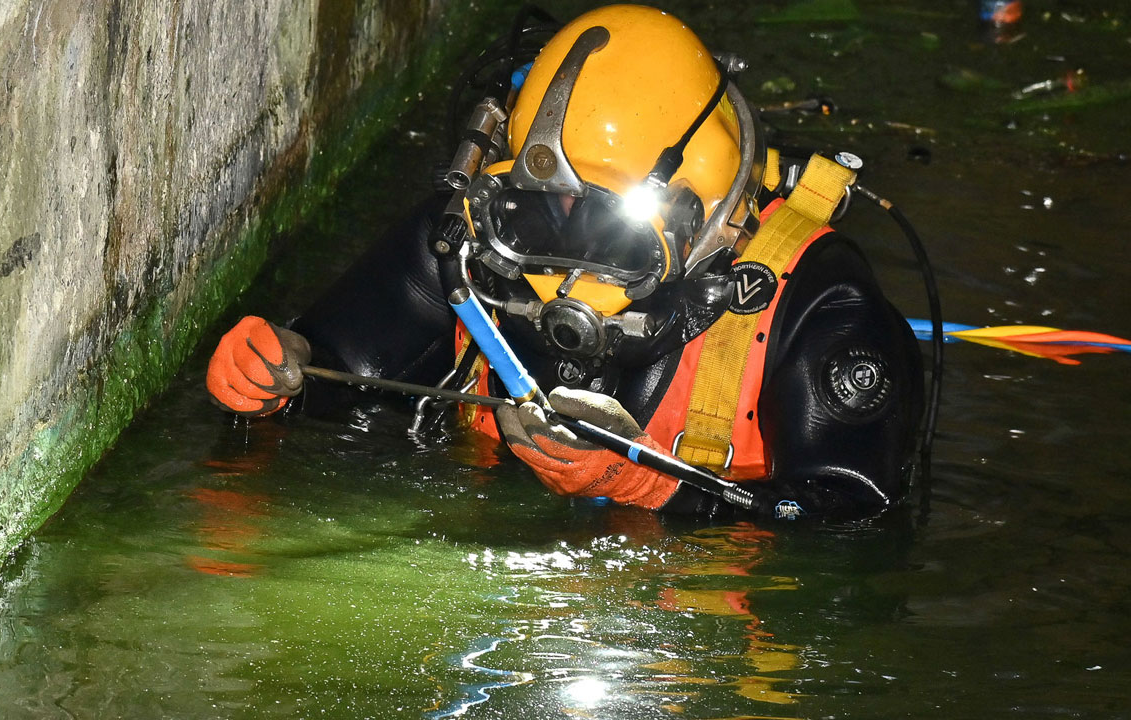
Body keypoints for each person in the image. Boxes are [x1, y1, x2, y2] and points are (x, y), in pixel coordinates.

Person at [206, 5, 925, 521]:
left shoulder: (821, 301)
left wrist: (660, 490)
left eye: (606, 219)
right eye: (542, 207)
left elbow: (852, 521)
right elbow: (338, 364)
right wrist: (279, 369)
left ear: (695, 208)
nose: (567, 249)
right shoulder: (476, 236)